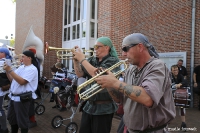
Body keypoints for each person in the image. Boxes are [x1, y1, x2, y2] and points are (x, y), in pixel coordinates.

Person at [95, 33, 176, 133]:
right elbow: (119, 98)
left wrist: (115, 82)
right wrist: (109, 85)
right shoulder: (130, 70)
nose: (123, 54)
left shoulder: (157, 66)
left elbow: (147, 98)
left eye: (125, 49)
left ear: (140, 47)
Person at [72, 37, 119, 133]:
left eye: (98, 46)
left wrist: (82, 59)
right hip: (89, 106)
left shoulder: (113, 61)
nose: (95, 49)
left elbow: (98, 76)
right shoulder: (92, 60)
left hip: (104, 108)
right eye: (94, 46)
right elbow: (80, 74)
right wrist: (76, 60)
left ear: (107, 47)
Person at [3, 50, 38, 133]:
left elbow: (22, 82)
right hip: (14, 97)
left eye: (23, 56)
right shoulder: (21, 67)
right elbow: (12, 80)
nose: (21, 58)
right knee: (11, 118)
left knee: (22, 120)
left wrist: (10, 70)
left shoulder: (32, 69)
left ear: (29, 58)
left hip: (22, 98)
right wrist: (8, 71)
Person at [171, 65, 188, 129]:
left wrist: (180, 84)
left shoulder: (180, 76)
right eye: (174, 70)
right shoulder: (169, 76)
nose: (176, 71)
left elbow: (185, 82)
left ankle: (183, 123)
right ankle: (166, 122)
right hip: (170, 95)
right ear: (171, 71)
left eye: (176, 70)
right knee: (168, 108)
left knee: (182, 107)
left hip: (179, 95)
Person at [0, 47, 12, 133]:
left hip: (1, 88)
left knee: (0, 109)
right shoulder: (7, 61)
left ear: (4, 53)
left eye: (0, 52)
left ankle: (4, 128)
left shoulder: (4, 61)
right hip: (2, 88)